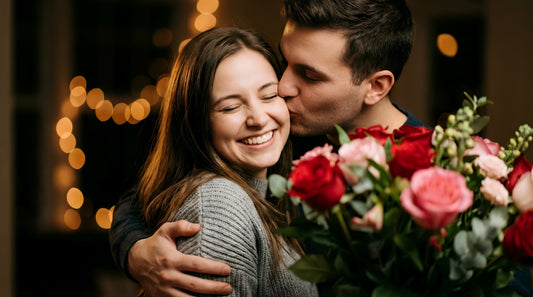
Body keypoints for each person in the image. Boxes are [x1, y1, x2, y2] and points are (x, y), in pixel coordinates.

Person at [109, 0, 420, 295]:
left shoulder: (440, 175)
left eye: (309, 75)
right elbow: (152, 191)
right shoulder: (282, 126)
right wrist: (135, 250)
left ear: (376, 86)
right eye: (286, 63)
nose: (283, 86)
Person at [128, 26, 318, 297]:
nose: (258, 118)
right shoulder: (221, 205)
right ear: (197, 123)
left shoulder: (271, 194)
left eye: (269, 95)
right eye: (230, 107)